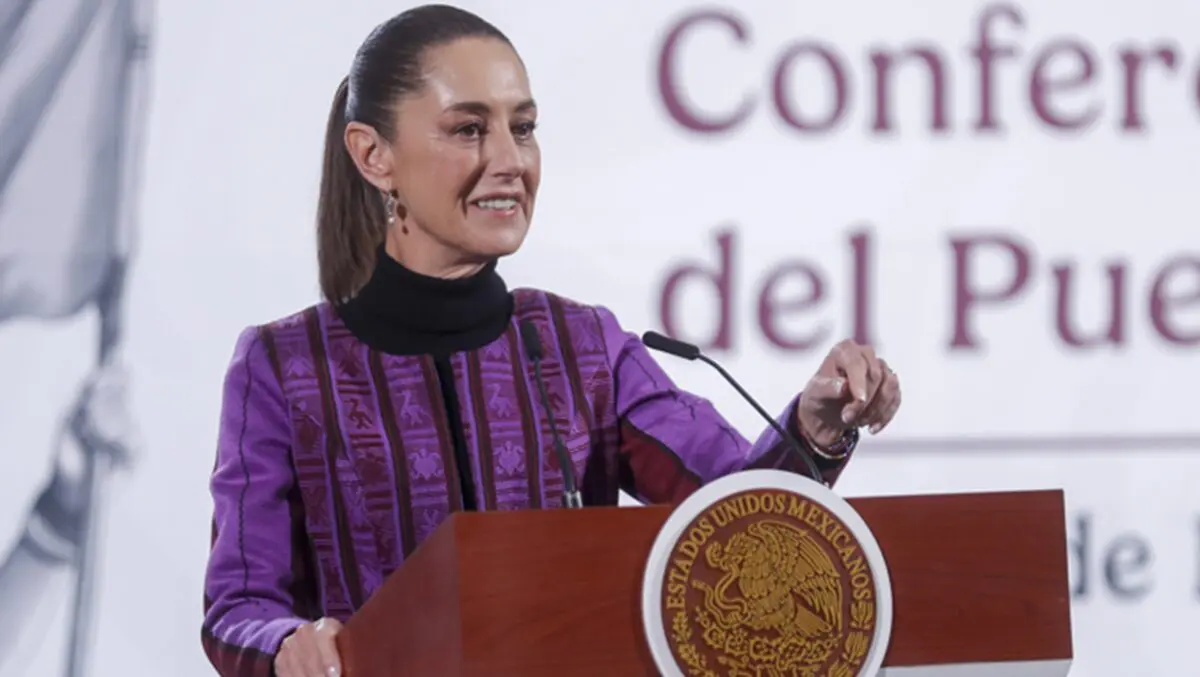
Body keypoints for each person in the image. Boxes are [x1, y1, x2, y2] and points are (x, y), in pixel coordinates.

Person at [201, 5, 902, 677]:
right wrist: (288, 642)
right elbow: (238, 605)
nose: (511, 160)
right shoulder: (285, 366)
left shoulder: (583, 346)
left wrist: (816, 429)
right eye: (469, 129)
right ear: (373, 155)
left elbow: (736, 521)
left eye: (524, 127)